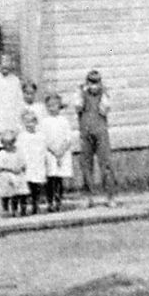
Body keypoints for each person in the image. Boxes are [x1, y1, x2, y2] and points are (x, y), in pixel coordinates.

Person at [74, 68, 115, 207]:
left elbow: (104, 109)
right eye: (91, 83)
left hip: (101, 133)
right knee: (86, 164)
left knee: (106, 164)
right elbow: (78, 107)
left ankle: (110, 196)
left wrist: (104, 93)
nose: (94, 86)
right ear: (87, 83)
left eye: (97, 83)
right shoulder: (81, 95)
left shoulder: (104, 95)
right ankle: (88, 196)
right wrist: (81, 92)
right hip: (86, 133)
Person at [41, 91, 73, 212]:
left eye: (54, 105)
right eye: (49, 106)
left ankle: (58, 201)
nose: (52, 108)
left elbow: (68, 138)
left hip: (62, 153)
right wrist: (53, 151)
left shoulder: (63, 121)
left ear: (59, 106)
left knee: (59, 178)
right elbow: (44, 139)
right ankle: (50, 202)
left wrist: (61, 151)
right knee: (51, 178)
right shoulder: (45, 121)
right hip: (50, 153)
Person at [0, 53, 24, 151]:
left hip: (13, 116)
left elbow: (20, 100)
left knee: (15, 141)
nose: (5, 66)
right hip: (0, 116)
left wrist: (21, 114)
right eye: (3, 64)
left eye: (8, 63)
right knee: (1, 141)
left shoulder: (15, 80)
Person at [17, 107, 47, 215]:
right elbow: (19, 151)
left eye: (32, 122)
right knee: (25, 188)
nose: (29, 124)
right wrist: (20, 163)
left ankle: (35, 205)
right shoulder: (22, 136)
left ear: (36, 122)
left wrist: (43, 163)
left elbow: (43, 151)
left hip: (37, 164)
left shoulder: (40, 136)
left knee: (36, 187)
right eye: (27, 122)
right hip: (26, 164)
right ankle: (23, 207)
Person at [0, 132, 28, 216]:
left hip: (17, 173)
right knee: (7, 187)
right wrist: (11, 169)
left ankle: (21, 209)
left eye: (10, 144)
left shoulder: (18, 152)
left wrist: (20, 168)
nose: (8, 146)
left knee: (21, 187)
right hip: (6, 173)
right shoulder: (2, 153)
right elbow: (0, 167)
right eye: (5, 144)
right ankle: (6, 209)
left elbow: (23, 163)